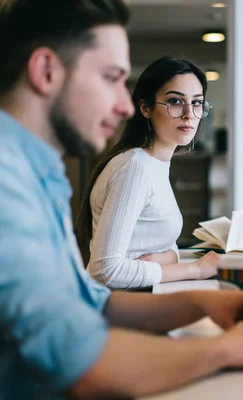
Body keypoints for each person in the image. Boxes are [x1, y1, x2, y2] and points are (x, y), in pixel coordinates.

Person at [0, 1, 243, 399]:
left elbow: (93, 302)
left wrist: (204, 303)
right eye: (111, 78)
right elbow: (87, 367)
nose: (126, 105)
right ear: (46, 72)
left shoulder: (32, 172)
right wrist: (231, 348)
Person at [75, 56, 219, 290]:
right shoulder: (134, 167)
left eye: (196, 103)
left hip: (143, 295)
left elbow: (164, 242)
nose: (188, 113)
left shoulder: (155, 164)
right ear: (145, 108)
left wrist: (168, 257)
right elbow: (105, 270)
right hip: (124, 307)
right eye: (175, 101)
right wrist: (196, 269)